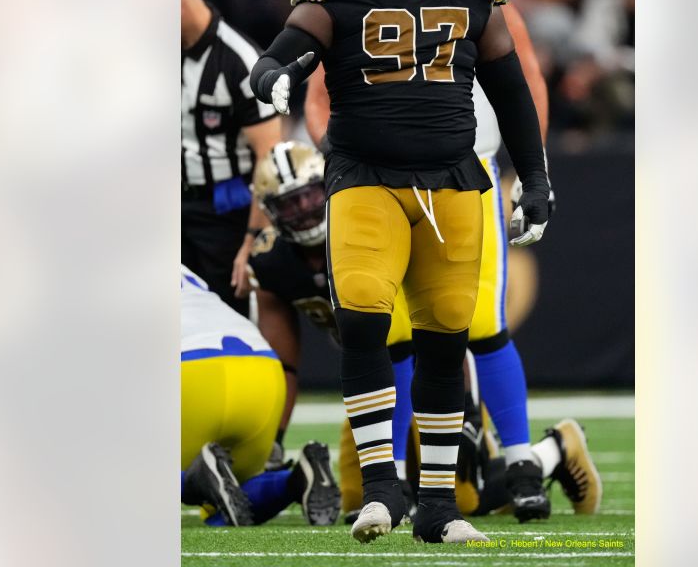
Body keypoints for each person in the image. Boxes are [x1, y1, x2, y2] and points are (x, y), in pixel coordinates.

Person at [248, 0, 551, 545]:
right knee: (365, 324)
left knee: (449, 339)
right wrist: (275, 68)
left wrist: (535, 177)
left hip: (454, 181)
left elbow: (508, 83)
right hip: (367, 180)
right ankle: (384, 487)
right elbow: (297, 39)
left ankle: (440, 506)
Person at [248, 141, 601, 523]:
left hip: (429, 372)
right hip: (375, 382)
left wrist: (462, 399)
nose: (303, 211)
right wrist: (273, 442)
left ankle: (556, 449)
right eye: (289, 204)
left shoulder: (368, 222)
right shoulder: (272, 261)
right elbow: (281, 362)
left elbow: (439, 322)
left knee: (464, 498)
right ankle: (403, 477)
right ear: (270, 214)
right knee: (356, 498)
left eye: (308, 196)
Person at [179, 265, 341, 527]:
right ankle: (294, 482)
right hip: (262, 368)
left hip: (194, 371)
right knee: (222, 511)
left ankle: (194, 481)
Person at [181, 0, 281, 316]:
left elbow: (268, 158)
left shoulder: (240, 60)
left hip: (225, 212)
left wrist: (251, 242)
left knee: (226, 315)